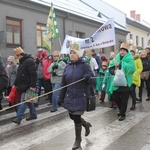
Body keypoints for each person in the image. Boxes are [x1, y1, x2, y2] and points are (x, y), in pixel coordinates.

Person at [58, 42, 94, 150]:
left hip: (81, 96)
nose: (72, 54)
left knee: (76, 116)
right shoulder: (67, 67)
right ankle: (86, 124)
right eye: (70, 53)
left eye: (74, 53)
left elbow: (93, 80)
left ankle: (78, 140)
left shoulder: (85, 65)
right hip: (70, 97)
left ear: (79, 54)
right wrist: (60, 97)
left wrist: (88, 77)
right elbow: (63, 84)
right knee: (72, 116)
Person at [109, 42, 135, 121]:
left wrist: (120, 64)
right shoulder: (116, 58)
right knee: (115, 97)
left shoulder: (130, 58)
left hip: (125, 83)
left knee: (124, 100)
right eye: (121, 50)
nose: (122, 52)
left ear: (127, 51)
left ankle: (122, 114)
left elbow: (132, 69)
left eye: (124, 50)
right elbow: (110, 67)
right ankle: (121, 110)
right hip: (116, 83)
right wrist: (113, 71)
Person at [12, 47, 37, 125]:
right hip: (22, 85)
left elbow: (33, 74)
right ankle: (33, 115)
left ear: (20, 55)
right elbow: (19, 75)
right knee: (29, 101)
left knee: (24, 100)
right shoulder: (22, 62)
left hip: (28, 86)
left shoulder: (29, 61)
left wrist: (32, 86)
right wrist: (15, 84)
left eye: (17, 56)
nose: (17, 57)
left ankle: (19, 117)